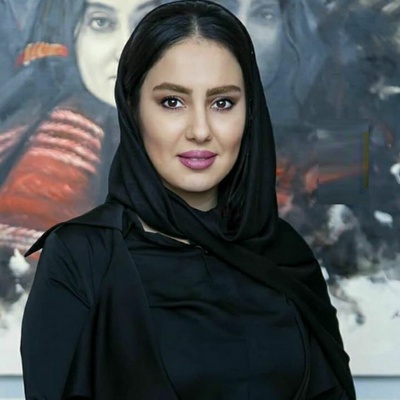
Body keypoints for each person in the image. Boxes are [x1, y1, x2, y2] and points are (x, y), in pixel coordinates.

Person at [21, 0, 356, 399]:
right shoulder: (80, 257)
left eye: (222, 103)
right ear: (133, 109)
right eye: (172, 102)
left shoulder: (285, 253)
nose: (200, 130)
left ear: (250, 113)